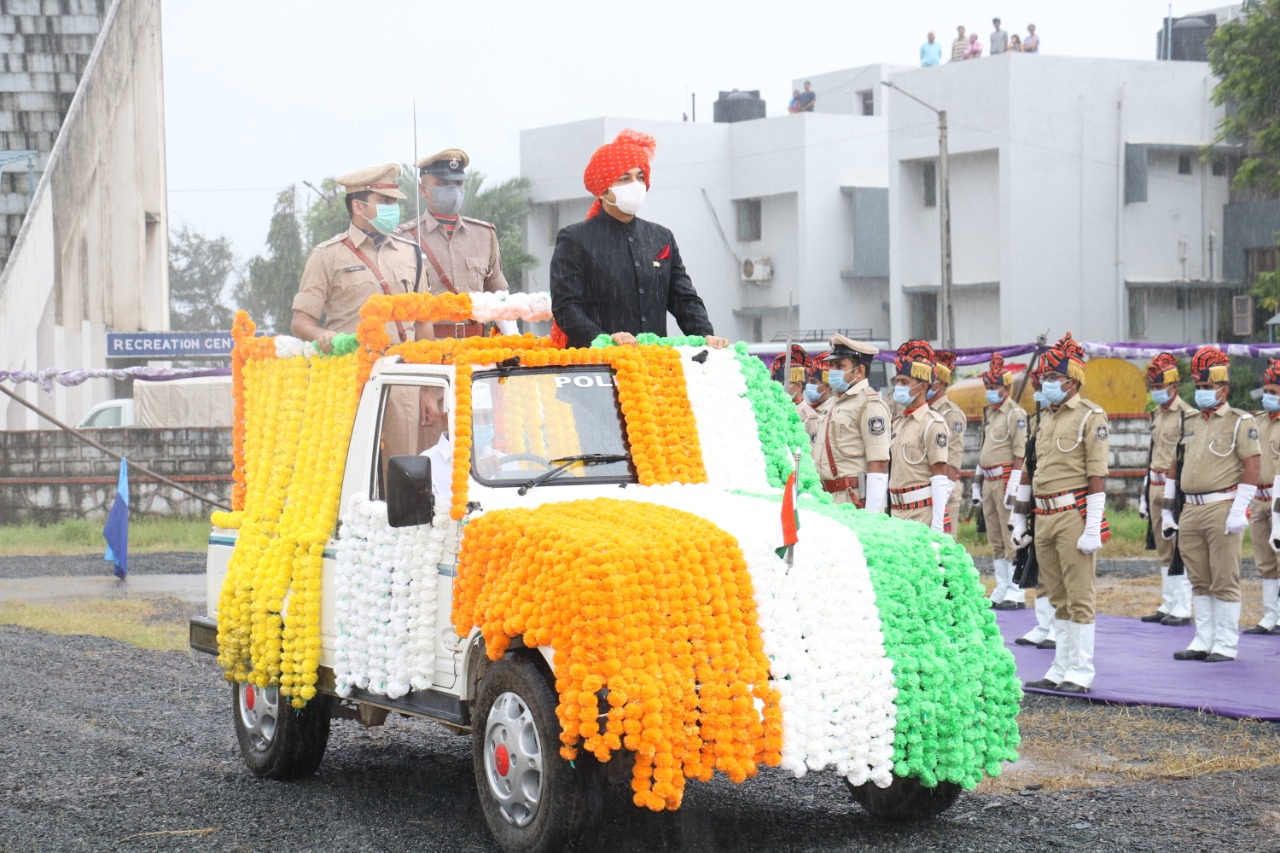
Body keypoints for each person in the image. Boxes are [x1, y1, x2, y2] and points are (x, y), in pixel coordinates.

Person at [290, 163, 436, 458]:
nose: (392, 208)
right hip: (349, 378)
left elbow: (423, 325)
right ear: (358, 206)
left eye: (393, 202)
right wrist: (325, 336)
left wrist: (428, 389)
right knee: (351, 468)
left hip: (401, 379)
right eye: (384, 201)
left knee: (401, 470)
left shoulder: (411, 254)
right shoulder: (327, 256)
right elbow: (301, 321)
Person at [549, 129, 728, 351]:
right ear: (603, 191)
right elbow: (566, 306)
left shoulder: (661, 237)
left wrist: (705, 335)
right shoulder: (575, 239)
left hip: (656, 367)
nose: (635, 184)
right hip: (597, 369)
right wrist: (603, 339)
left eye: (640, 177)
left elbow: (684, 299)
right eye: (625, 178)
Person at [1019, 333, 1108, 695]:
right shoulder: (1043, 419)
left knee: (1079, 595)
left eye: (1054, 378)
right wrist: (1020, 519)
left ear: (1072, 380)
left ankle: (1081, 670)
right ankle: (1060, 666)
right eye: (1045, 378)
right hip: (1043, 514)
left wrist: (1092, 527)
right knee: (1055, 594)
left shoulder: (1091, 416)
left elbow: (1097, 475)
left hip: (1073, 512)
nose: (1046, 383)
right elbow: (1032, 468)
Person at [1163, 347, 1260, 663]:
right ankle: (1203, 638)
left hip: (1222, 505)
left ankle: (1226, 643)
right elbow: (1176, 464)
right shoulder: (1190, 420)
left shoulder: (1239, 421)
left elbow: (1252, 466)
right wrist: (1168, 507)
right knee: (1199, 577)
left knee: (1224, 577)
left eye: (1208, 387)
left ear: (1224, 388)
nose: (1202, 392)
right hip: (1191, 507)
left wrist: (1239, 509)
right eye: (1199, 387)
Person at [397, 148, 515, 339]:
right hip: (428, 350)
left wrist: (513, 338)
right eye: (442, 183)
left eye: (458, 183)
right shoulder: (405, 239)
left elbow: (499, 296)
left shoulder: (484, 235)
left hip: (477, 349)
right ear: (422, 189)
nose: (452, 190)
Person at [1137, 353, 1195, 626]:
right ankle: (1168, 602)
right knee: (1162, 548)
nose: (1156, 391)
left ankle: (1182, 606)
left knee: (1179, 547)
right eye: (1153, 386)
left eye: (1160, 386)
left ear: (1174, 386)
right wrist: (1143, 492)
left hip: (1176, 488)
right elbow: (1152, 454)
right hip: (1155, 485)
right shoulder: (1157, 415)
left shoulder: (1187, 416)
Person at [973, 353, 1029, 610]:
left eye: (995, 387)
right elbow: (985, 449)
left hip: (1006, 479)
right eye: (988, 387)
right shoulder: (992, 413)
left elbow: (1020, 453)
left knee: (1010, 538)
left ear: (1006, 388)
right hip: (988, 480)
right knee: (994, 537)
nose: (990, 392)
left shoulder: (1015, 414)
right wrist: (976, 482)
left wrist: (1014, 486)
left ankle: (1016, 590)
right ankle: (1002, 585)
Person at [810, 336, 890, 509]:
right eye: (832, 366)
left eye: (840, 366)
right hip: (825, 498)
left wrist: (872, 516)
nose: (833, 371)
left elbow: (879, 463)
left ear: (859, 371)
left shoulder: (869, 404)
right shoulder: (832, 402)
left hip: (852, 499)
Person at [888, 341, 952, 531]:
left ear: (923, 386)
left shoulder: (933, 423)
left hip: (922, 514)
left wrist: (938, 526)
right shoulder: (899, 423)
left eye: (905, 382)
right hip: (896, 513)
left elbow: (940, 477)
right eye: (897, 381)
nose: (898, 386)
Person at [1245, 360, 1280, 635]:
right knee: (1265, 560)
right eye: (1267, 390)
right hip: (1259, 499)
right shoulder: (1256, 421)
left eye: (1275, 392)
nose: (1269, 396)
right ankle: (1270, 616)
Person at [928, 350, 966, 539]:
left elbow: (952, 461)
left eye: (931, 377)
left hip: (944, 492)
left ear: (942, 382)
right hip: (924, 493)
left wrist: (940, 500)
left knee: (945, 551)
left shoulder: (951, 414)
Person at [772, 345, 818, 436]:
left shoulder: (809, 418)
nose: (778, 389)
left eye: (782, 385)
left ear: (798, 386)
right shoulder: (775, 412)